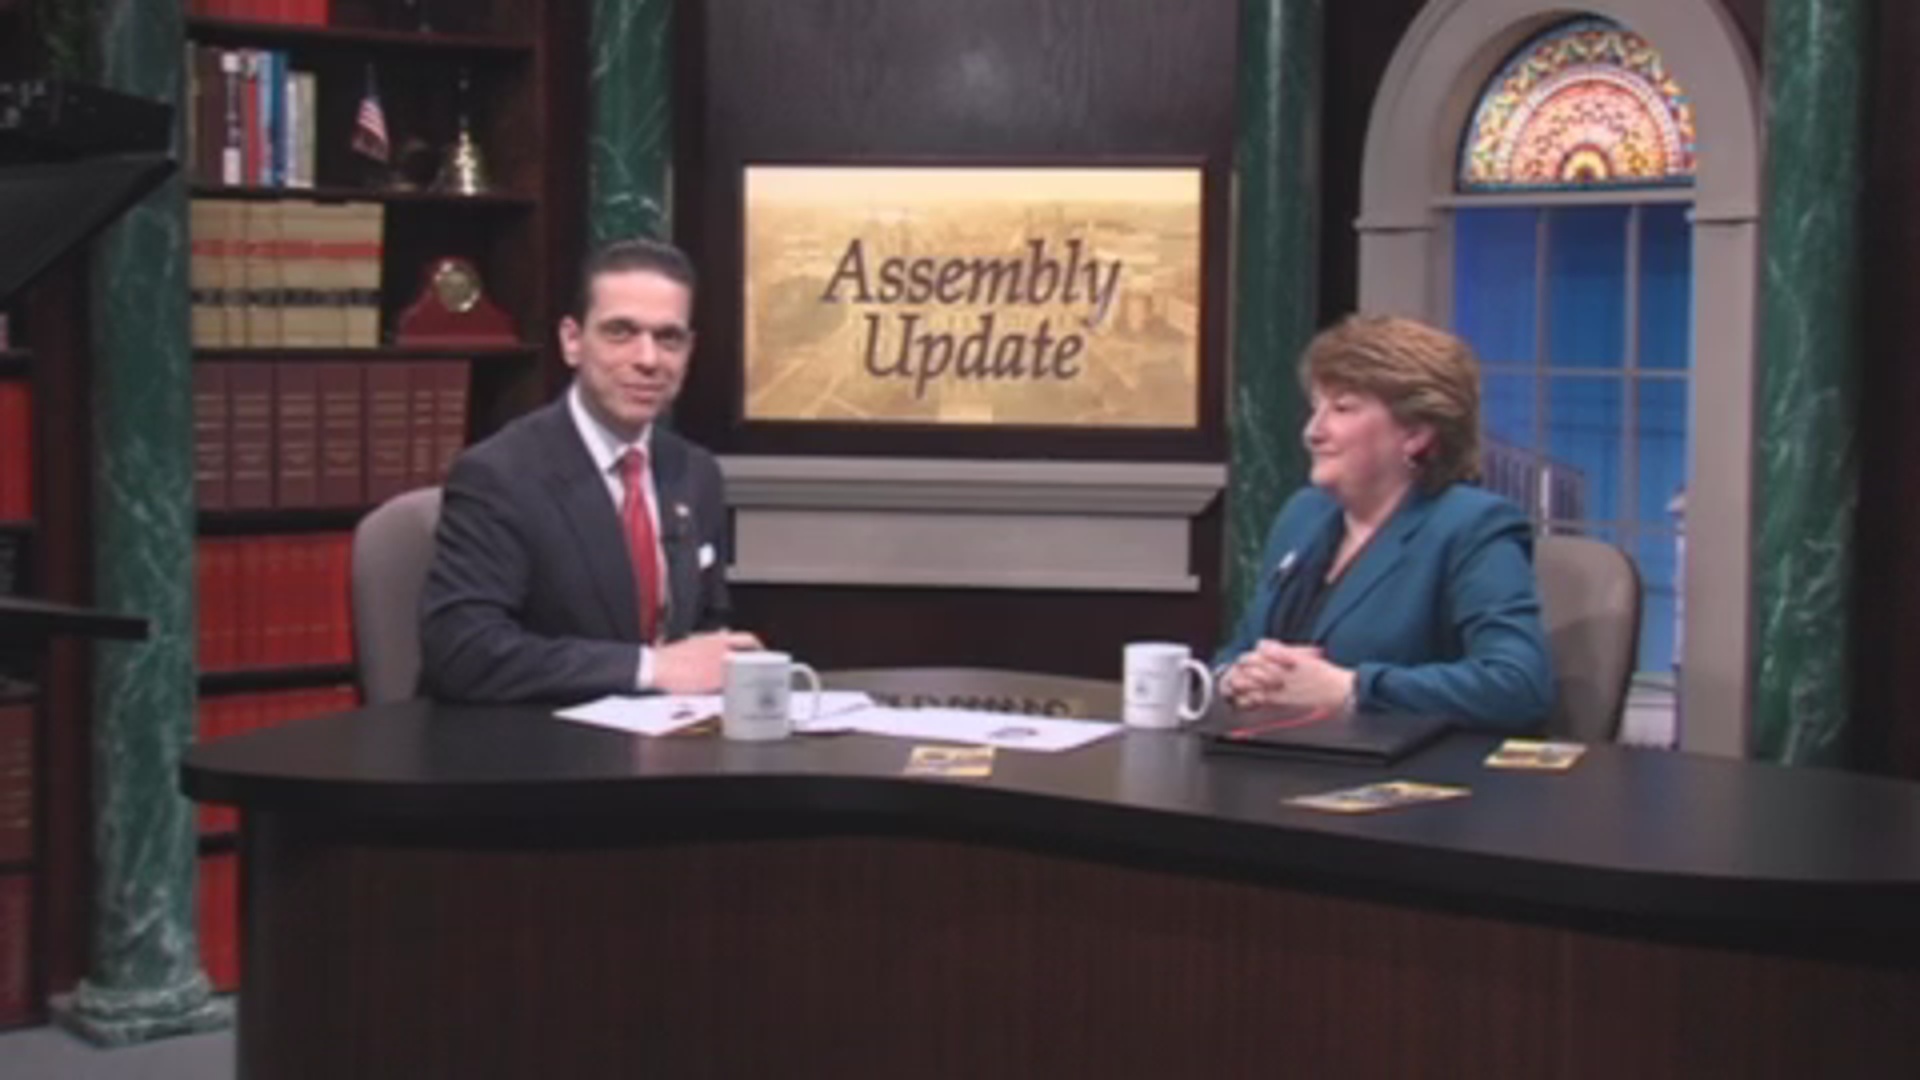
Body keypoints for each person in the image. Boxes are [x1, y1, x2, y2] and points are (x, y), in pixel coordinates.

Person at [420, 237, 760, 703]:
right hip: (538, 737)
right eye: (621, 332)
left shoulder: (694, 472)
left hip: (670, 735)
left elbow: (705, 630)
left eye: (669, 338)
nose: (648, 360)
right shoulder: (499, 475)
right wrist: (648, 669)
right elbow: (465, 652)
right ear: (572, 341)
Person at [1215, 315, 1553, 731]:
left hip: (1406, 765)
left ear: (1415, 433)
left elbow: (1517, 686)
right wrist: (1235, 677)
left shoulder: (1471, 525)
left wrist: (1351, 689)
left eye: (1342, 408)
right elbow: (1241, 648)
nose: (1312, 432)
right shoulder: (1303, 514)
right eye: (1315, 408)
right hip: (1272, 754)